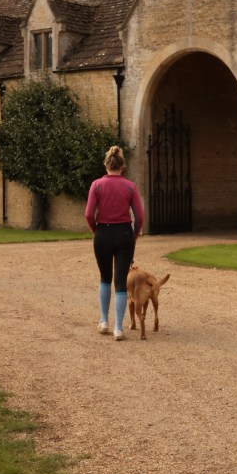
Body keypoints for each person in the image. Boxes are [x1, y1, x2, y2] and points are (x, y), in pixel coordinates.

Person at [85, 145, 144, 340]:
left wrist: (96, 230)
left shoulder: (96, 185)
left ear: (106, 164)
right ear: (122, 166)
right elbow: (140, 216)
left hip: (103, 232)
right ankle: (118, 328)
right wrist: (134, 235)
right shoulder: (130, 186)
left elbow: (88, 214)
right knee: (120, 282)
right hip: (124, 234)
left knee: (105, 278)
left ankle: (104, 321)